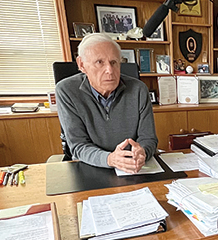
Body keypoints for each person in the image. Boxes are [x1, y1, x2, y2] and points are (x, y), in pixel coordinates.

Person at [56, 33, 158, 173]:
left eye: (114, 62)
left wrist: (143, 153)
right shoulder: (66, 91)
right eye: (99, 62)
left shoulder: (139, 90)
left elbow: (149, 138)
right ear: (81, 65)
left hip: (132, 168)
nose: (109, 70)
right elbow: (78, 146)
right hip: (89, 168)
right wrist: (110, 159)